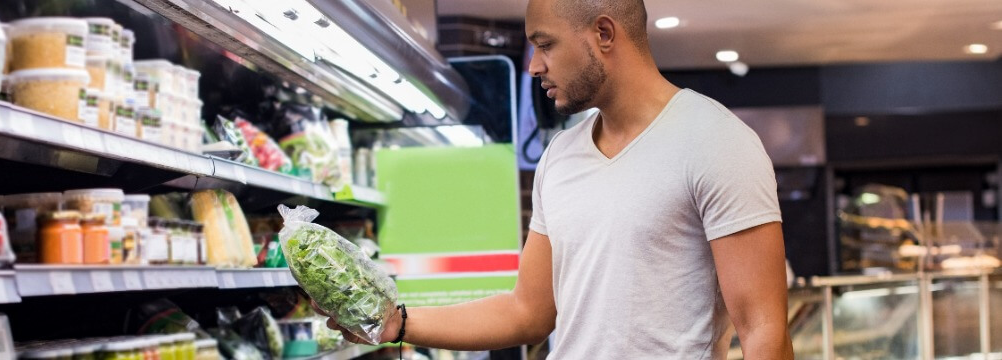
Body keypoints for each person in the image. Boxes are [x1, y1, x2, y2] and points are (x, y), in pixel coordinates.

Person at [318, 0, 794, 358]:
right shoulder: (561, 156)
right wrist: (395, 322)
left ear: (603, 33)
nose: (534, 66)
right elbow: (527, 311)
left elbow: (762, 330)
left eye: (545, 45)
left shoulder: (717, 141)